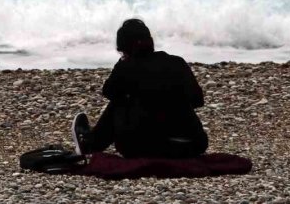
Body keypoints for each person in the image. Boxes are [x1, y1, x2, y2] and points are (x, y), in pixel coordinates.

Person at [71, 19, 209, 159]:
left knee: (119, 102)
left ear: (123, 47)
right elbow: (198, 100)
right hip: (192, 145)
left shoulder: (127, 67)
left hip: (146, 148)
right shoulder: (177, 62)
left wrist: (123, 66)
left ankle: (90, 144)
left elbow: (108, 92)